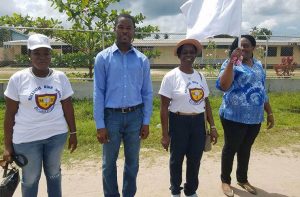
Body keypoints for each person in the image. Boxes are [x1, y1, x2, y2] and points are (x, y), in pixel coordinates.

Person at [3, 33, 77, 197]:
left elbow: (67, 106)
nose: (42, 57)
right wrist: (7, 146)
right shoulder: (18, 79)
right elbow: (9, 116)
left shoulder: (60, 77)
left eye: (46, 53)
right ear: (29, 55)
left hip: (56, 136)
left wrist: (73, 133)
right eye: (36, 53)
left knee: (54, 174)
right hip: (26, 140)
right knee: (30, 179)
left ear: (51, 55)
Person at [93, 14, 153, 197]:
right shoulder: (103, 58)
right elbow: (98, 92)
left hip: (135, 116)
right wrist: (100, 125)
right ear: (115, 29)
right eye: (121, 27)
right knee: (108, 163)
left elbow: (147, 92)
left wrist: (146, 121)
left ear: (134, 31)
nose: (125, 31)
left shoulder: (142, 60)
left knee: (132, 162)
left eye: (129, 28)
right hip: (112, 117)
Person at [216, 35, 275, 197]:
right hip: (233, 115)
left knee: (245, 148)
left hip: (254, 117)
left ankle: (242, 179)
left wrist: (269, 112)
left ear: (253, 48)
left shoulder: (258, 65)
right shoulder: (231, 64)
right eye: (240, 46)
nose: (243, 49)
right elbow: (223, 85)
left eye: (246, 45)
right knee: (231, 148)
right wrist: (231, 62)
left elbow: (262, 90)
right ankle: (225, 181)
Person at [159, 39, 218, 197]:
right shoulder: (171, 77)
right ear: (179, 55)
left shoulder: (200, 76)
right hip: (179, 122)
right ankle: (175, 190)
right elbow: (164, 107)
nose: (189, 55)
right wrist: (165, 134)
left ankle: (191, 190)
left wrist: (212, 126)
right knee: (176, 159)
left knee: (195, 159)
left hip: (198, 123)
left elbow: (206, 102)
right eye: (185, 52)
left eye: (192, 52)